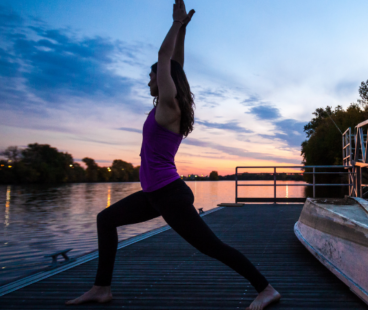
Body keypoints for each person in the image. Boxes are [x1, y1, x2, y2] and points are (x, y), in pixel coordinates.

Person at [66, 1, 281, 309]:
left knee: (212, 247)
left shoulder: (169, 107)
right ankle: (101, 288)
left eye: (152, 76)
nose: (150, 80)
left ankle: (266, 289)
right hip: (154, 194)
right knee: (106, 219)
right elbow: (175, 63)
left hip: (169, 195)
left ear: (163, 81)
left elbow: (164, 58)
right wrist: (182, 32)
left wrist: (177, 24)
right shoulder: (166, 105)